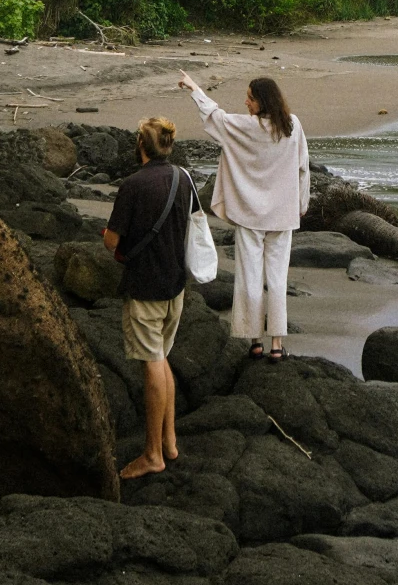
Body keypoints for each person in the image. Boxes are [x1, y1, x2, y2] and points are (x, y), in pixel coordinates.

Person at [177, 70, 308, 359]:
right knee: (276, 279)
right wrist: (301, 204)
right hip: (282, 215)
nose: (245, 102)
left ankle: (255, 341)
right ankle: (276, 345)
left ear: (262, 101)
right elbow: (303, 167)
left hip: (251, 214)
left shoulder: (246, 127)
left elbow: (215, 117)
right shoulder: (292, 125)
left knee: (250, 276)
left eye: (250, 98)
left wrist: (194, 88)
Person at [102, 113, 192, 478]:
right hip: (176, 283)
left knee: (152, 362)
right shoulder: (183, 178)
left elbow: (112, 241)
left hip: (146, 286)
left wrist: (107, 236)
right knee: (162, 356)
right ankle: (169, 441)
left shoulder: (133, 185)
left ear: (140, 144)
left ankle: (153, 454)